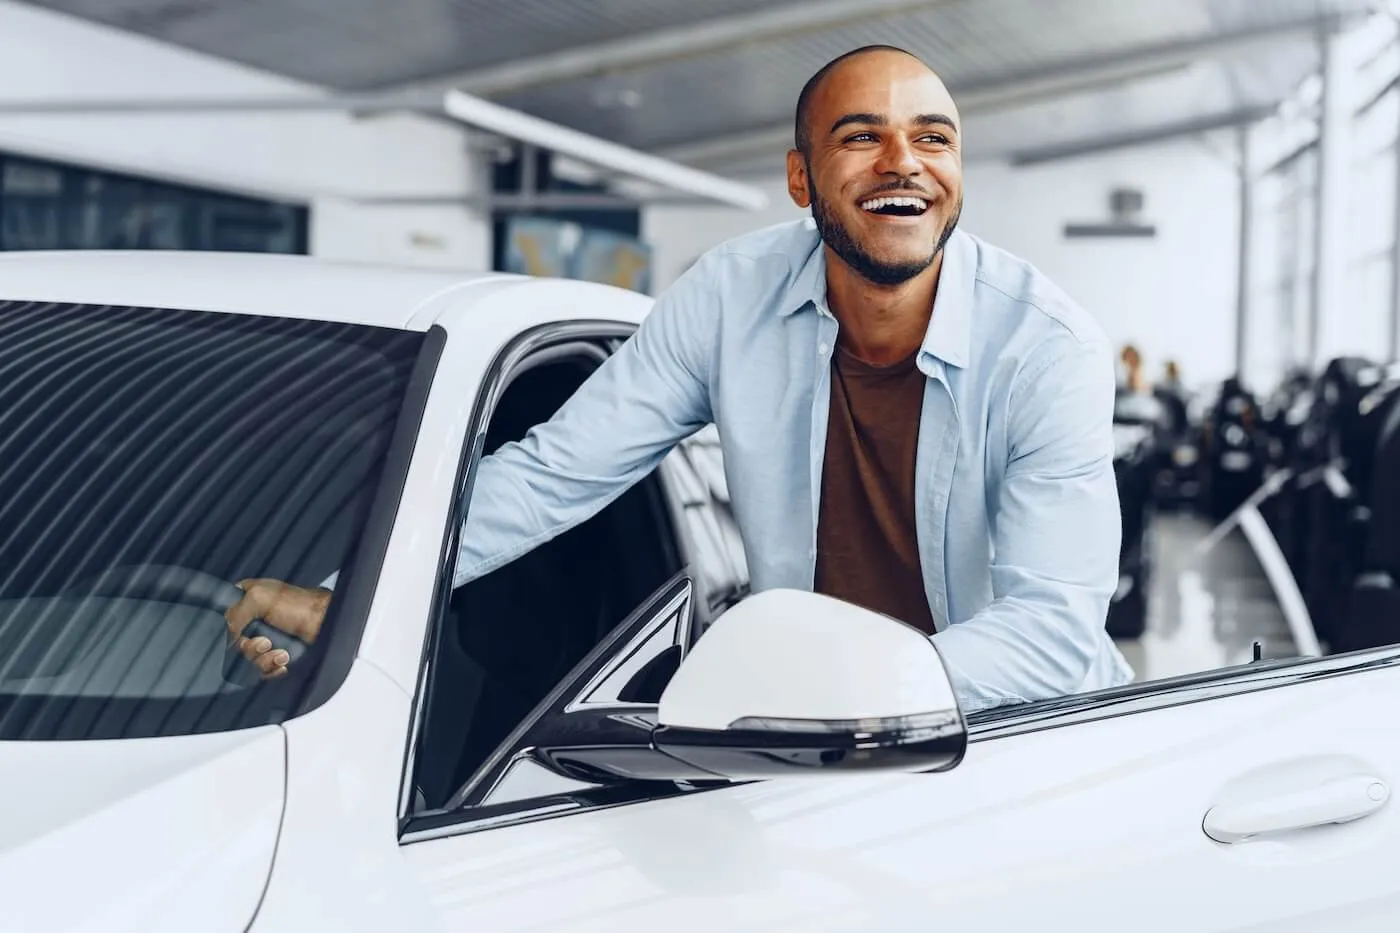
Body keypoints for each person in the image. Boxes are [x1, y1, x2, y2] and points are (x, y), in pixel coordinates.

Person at [228, 44, 1133, 712]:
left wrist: (850, 690)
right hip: (816, 742)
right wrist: (350, 596)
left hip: (1018, 743)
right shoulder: (731, 298)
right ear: (799, 177)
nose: (904, 161)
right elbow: (553, 474)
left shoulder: (1045, 351)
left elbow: (1051, 632)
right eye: (862, 137)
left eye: (932, 138)